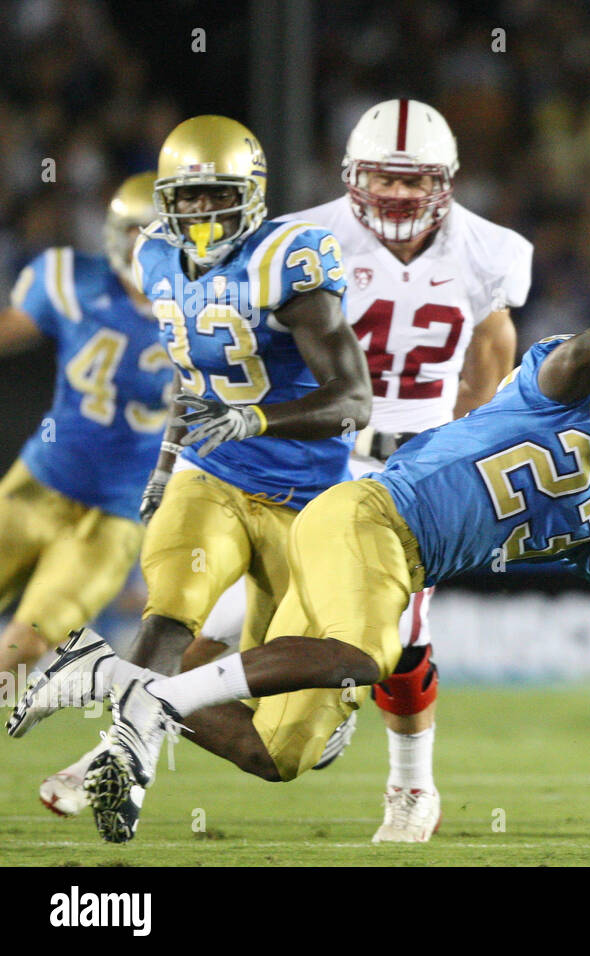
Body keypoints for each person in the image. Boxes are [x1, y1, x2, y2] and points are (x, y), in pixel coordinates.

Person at [9, 307, 590, 845]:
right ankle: (143, 697)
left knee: (279, 755)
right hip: (373, 513)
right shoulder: (567, 396)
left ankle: (117, 678)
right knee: (366, 658)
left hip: (396, 563)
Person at [142, 99, 533, 843]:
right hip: (317, 448)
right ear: (352, 176)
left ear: (445, 182)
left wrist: (468, 449)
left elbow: (490, 355)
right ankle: (150, 714)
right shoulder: (298, 238)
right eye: (381, 178)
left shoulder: (492, 250)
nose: (394, 195)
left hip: (419, 455)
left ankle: (410, 787)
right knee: (223, 618)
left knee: (401, 633)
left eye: (411, 180)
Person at [23, 114, 373, 840]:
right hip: (211, 475)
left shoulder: (289, 260)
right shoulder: (156, 261)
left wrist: (259, 418)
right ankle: (129, 769)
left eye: (216, 197)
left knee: (280, 753)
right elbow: (191, 381)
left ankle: (101, 674)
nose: (201, 214)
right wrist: (165, 464)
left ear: (250, 195)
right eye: (186, 199)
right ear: (166, 202)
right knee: (167, 619)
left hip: (308, 506)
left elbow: (352, 399)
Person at [0, 173, 171, 693]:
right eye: (134, 234)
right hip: (38, 484)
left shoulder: (204, 309)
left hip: (114, 518)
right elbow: (11, 330)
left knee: (24, 648)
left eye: (156, 238)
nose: (142, 251)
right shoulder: (69, 279)